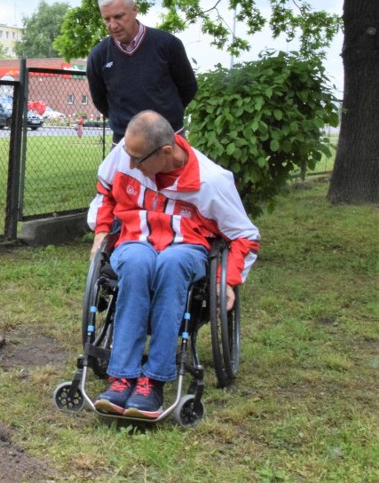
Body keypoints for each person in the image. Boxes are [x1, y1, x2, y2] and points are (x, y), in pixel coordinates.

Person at [87, 110, 259, 419]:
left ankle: (152, 381)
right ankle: (123, 376)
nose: (131, 163)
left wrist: (230, 280)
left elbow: (245, 236)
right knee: (138, 262)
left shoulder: (211, 182)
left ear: (166, 152)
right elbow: (105, 194)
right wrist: (101, 232)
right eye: (129, 155)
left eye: (138, 160)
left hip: (186, 248)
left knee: (171, 264)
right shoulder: (127, 154)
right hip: (134, 241)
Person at [86, 0, 198, 144]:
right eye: (107, 19)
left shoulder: (167, 44)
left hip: (170, 140)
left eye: (119, 16)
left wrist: (165, 118)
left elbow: (188, 88)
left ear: (135, 9)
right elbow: (100, 100)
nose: (113, 25)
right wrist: (124, 122)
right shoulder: (99, 56)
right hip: (124, 143)